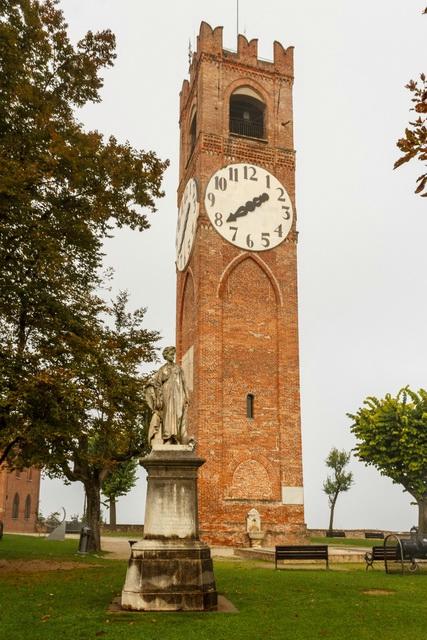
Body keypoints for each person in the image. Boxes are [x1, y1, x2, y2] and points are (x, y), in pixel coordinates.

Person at [145, 346, 189, 445]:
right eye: (170, 354)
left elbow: (184, 382)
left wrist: (186, 396)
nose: (172, 356)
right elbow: (156, 382)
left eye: (173, 354)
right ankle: (168, 438)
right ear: (166, 356)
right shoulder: (162, 369)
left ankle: (177, 438)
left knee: (178, 415)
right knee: (167, 416)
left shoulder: (178, 368)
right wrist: (150, 387)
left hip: (177, 394)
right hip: (166, 395)